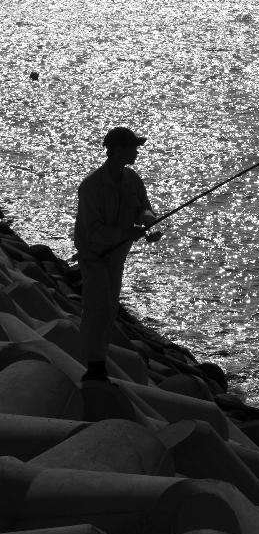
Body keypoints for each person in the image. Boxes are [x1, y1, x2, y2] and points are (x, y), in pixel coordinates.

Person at [74, 126, 157, 382]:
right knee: (97, 308)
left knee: (109, 309)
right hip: (95, 257)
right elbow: (94, 232)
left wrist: (147, 221)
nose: (136, 152)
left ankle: (99, 359)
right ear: (117, 150)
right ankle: (93, 366)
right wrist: (126, 232)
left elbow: (145, 208)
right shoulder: (91, 187)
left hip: (116, 257)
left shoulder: (132, 179)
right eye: (132, 147)